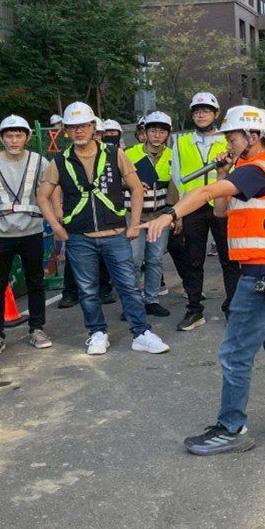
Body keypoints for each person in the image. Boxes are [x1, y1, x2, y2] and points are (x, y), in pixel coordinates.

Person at [144, 106, 265, 455]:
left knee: (235, 353)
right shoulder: (260, 168)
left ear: (253, 136)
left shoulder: (255, 170)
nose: (228, 143)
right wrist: (224, 172)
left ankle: (231, 429)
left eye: (232, 137)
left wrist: (169, 213)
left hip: (264, 276)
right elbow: (221, 211)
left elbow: (204, 195)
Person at [37, 101, 169, 356]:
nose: (79, 131)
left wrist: (134, 223)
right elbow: (42, 196)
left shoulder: (114, 153)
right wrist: (55, 226)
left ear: (93, 127)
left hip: (115, 234)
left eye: (84, 125)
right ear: (66, 130)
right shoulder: (59, 161)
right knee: (88, 290)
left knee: (129, 286)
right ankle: (97, 333)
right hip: (80, 236)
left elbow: (137, 188)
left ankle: (141, 333)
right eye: (73, 127)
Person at [169, 91, 240, 331]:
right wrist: (179, 211)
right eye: (197, 111)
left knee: (229, 259)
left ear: (216, 114)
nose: (201, 115)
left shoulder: (227, 141)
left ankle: (232, 307)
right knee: (193, 259)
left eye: (206, 111)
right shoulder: (181, 142)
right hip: (193, 207)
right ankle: (194, 309)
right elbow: (177, 178)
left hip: (222, 204)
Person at [0, 115, 51, 356]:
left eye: (18, 135)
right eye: (9, 135)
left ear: (27, 137)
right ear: (1, 138)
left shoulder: (39, 161)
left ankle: (37, 329)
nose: (14, 140)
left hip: (31, 231)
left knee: (35, 281)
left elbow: (49, 191)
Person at [124, 111, 174, 318]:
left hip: (160, 216)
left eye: (162, 131)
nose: (157, 135)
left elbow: (175, 186)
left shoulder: (172, 156)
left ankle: (151, 300)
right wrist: (129, 184)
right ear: (145, 132)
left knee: (155, 259)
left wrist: (174, 214)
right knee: (133, 259)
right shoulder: (129, 154)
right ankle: (132, 302)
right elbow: (115, 180)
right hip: (133, 216)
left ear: (167, 134)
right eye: (153, 130)